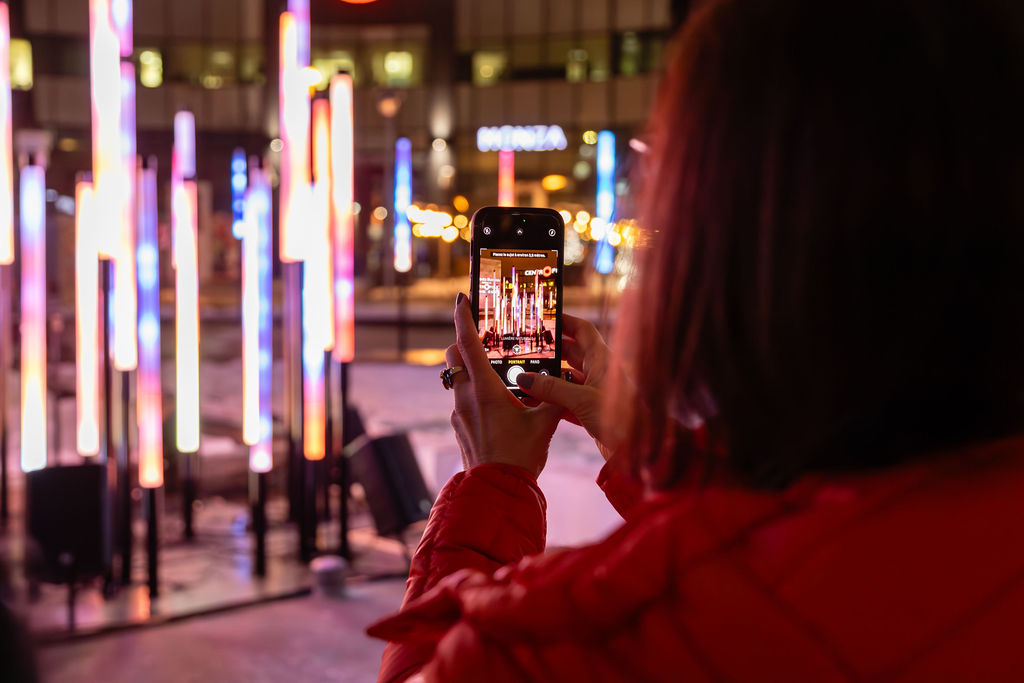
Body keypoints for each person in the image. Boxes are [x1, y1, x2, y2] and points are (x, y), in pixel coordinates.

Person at [369, 0, 1024, 680]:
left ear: (721, 237)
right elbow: (803, 541)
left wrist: (492, 483)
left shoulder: (582, 643)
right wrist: (640, 445)